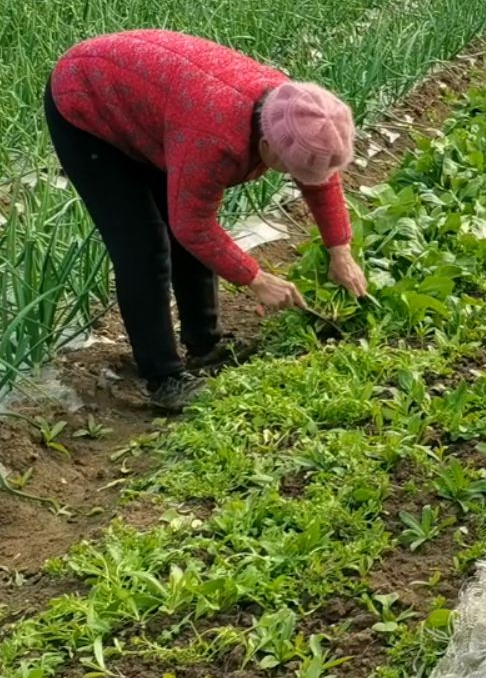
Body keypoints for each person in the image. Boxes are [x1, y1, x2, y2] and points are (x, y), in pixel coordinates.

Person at [46, 30, 369, 411]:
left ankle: (204, 344)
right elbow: (193, 225)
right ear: (266, 145)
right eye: (287, 168)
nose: (292, 176)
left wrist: (340, 252)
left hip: (152, 105)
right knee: (144, 246)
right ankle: (164, 378)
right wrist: (256, 278)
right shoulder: (213, 138)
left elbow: (319, 177)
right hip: (89, 101)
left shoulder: (299, 113)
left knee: (182, 224)